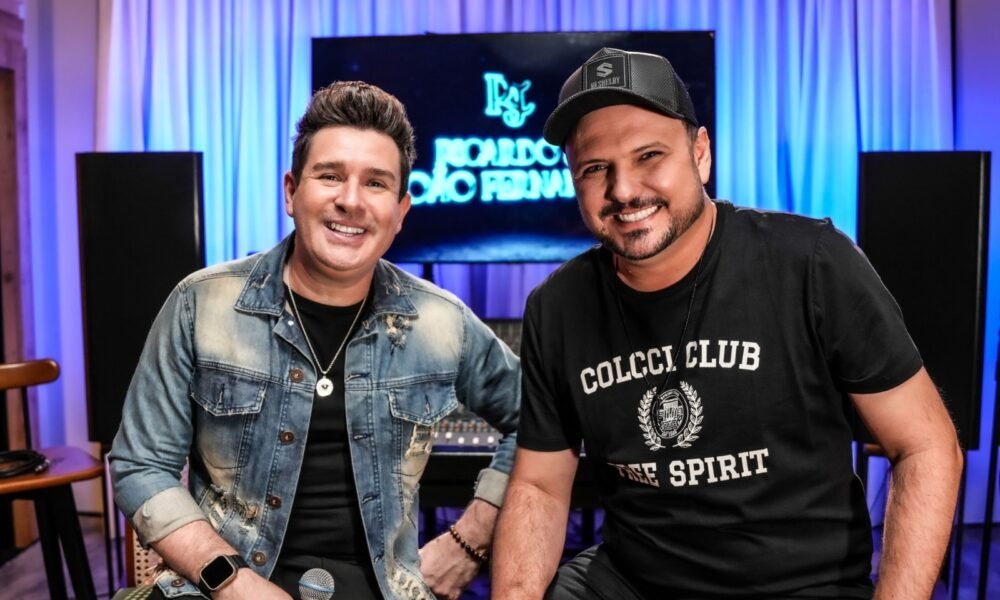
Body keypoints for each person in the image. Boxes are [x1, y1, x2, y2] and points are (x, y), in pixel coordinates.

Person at [492, 47, 963, 599]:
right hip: (631, 582)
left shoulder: (811, 263)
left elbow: (927, 446)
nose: (623, 190)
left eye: (649, 156)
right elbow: (540, 486)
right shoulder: (557, 306)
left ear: (701, 153)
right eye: (596, 168)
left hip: (798, 587)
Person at [109, 81, 520, 600]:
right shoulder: (200, 304)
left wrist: (469, 543)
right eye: (330, 176)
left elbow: (542, 420)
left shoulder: (442, 322)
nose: (350, 200)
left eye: (376, 183)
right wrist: (231, 582)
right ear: (291, 191)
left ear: (400, 211)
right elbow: (141, 464)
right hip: (225, 587)